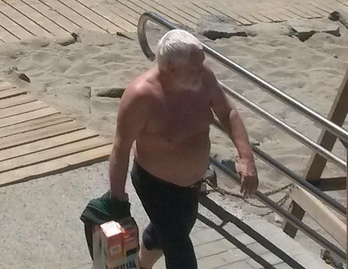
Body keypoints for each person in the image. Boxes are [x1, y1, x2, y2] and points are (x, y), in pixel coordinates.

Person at [105, 30, 257, 269]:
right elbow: (120, 149)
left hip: (192, 186)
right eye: (195, 66)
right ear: (170, 67)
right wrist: (117, 200)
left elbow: (228, 111)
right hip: (155, 186)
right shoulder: (140, 97)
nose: (202, 70)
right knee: (181, 254)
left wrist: (246, 156)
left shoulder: (202, 77)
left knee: (166, 233)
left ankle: (143, 264)